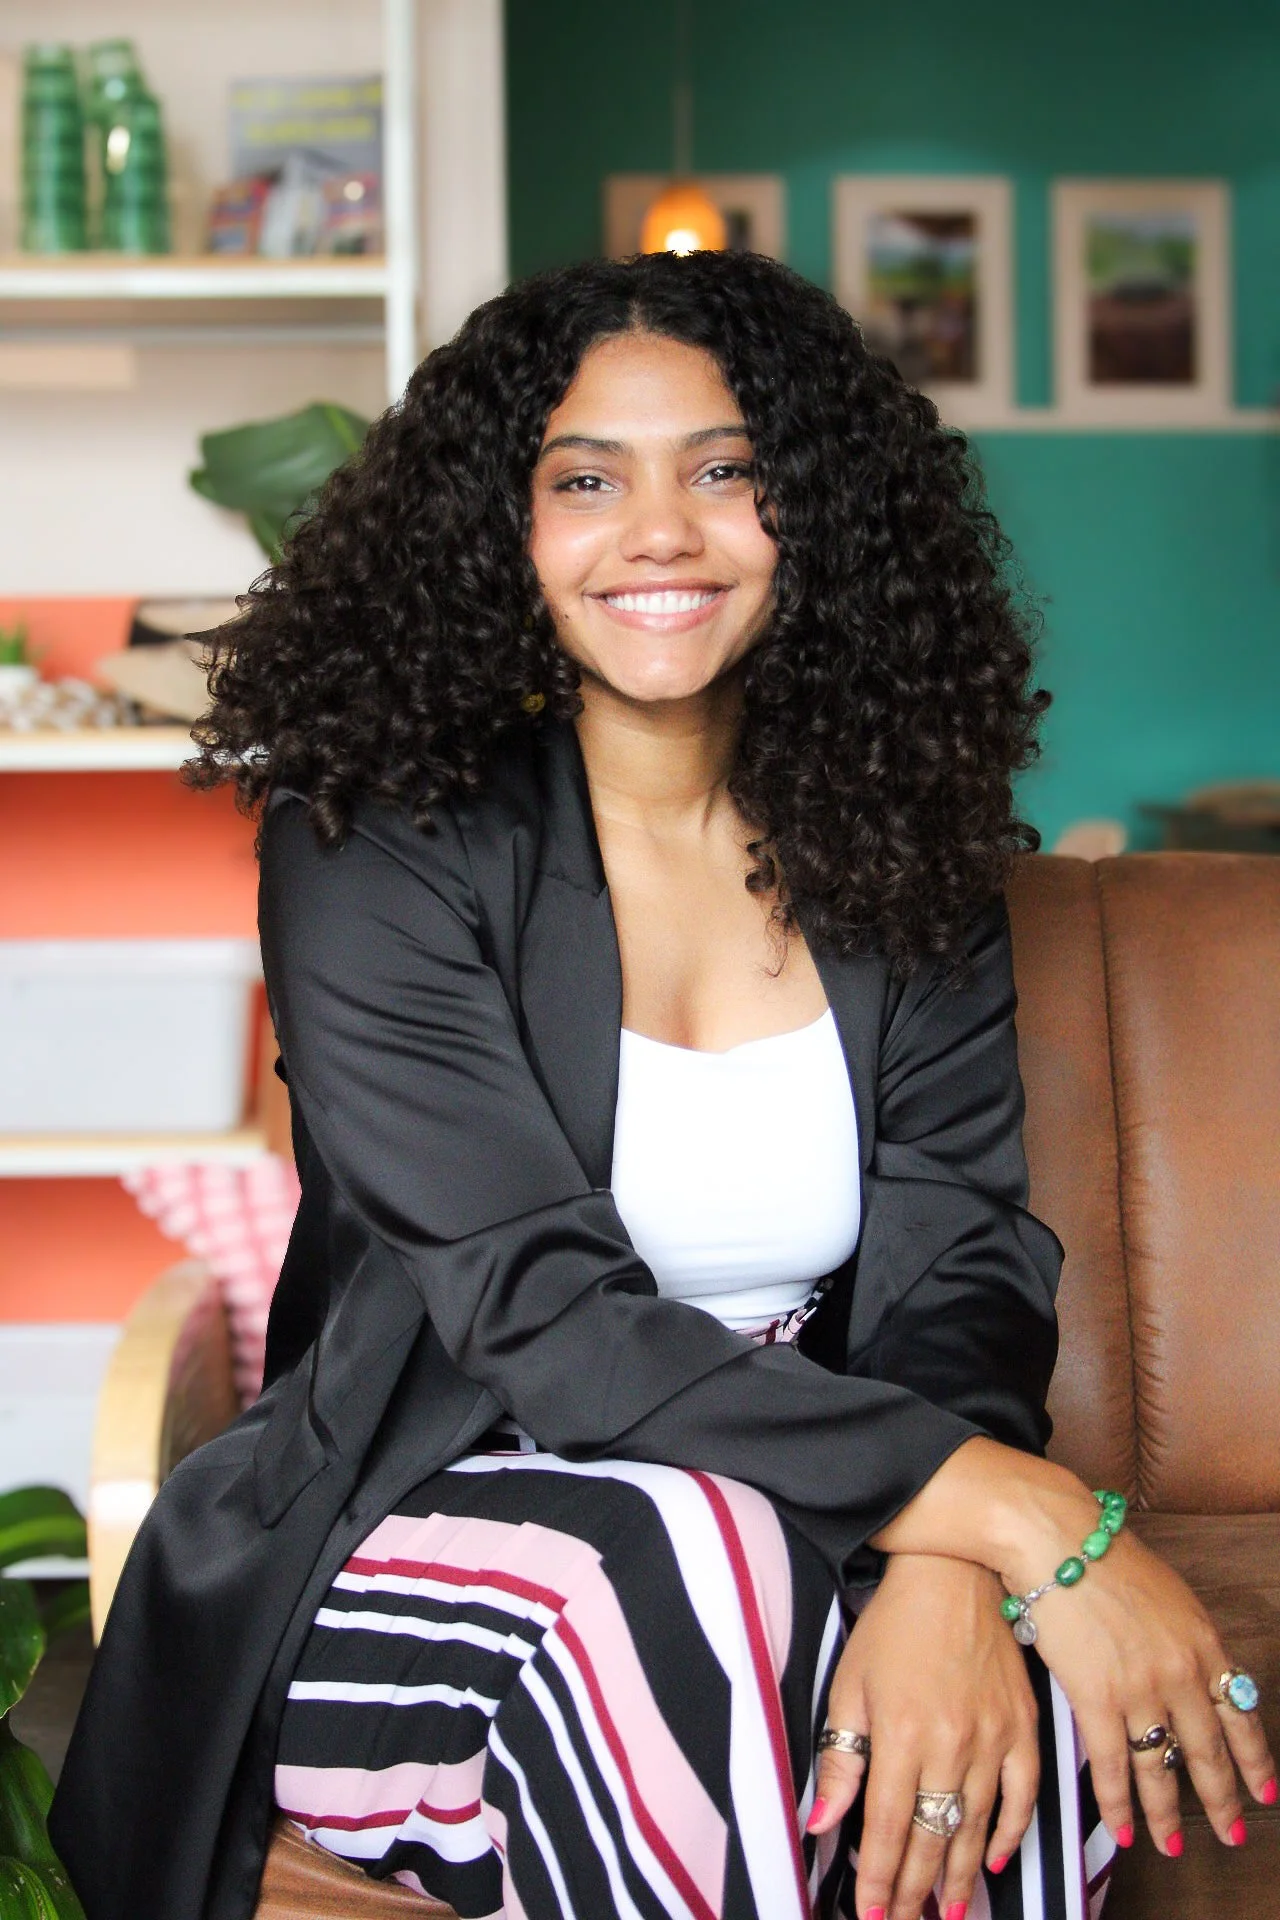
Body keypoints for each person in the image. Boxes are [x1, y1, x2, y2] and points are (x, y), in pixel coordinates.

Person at [51, 251, 1273, 1920]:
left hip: (816, 1498)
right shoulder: (373, 846)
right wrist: (1012, 1507)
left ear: (817, 512)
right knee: (689, 1571)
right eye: (584, 480)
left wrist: (941, 1562)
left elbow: (965, 1252)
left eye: (726, 469)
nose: (660, 533)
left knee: (1015, 1694)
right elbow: (535, 1314)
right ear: (505, 530)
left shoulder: (894, 836)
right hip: (432, 1517)